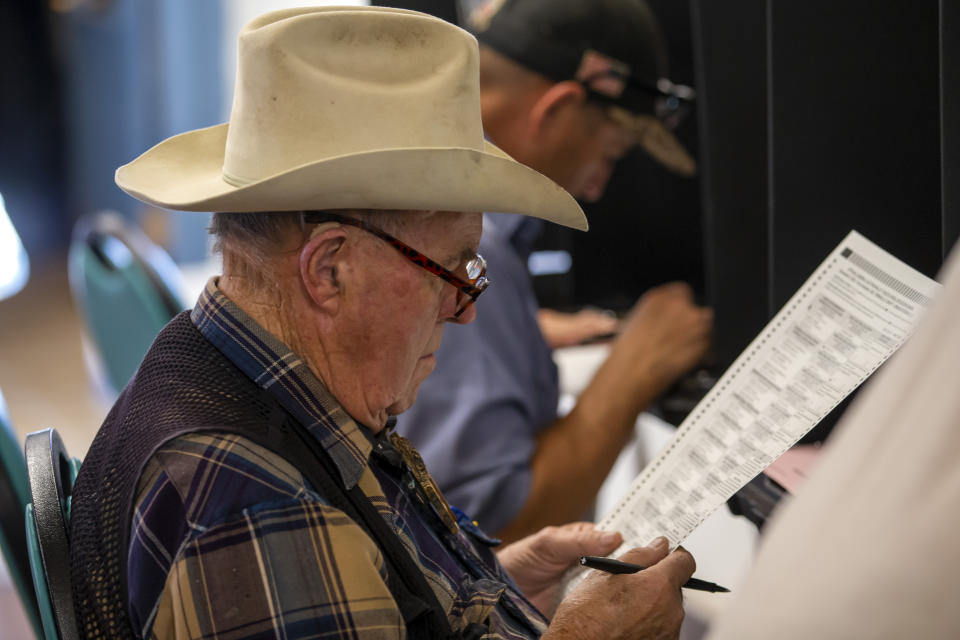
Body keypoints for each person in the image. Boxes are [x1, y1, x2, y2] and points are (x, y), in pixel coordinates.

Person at [68, 7, 696, 639]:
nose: (465, 306)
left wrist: (491, 588)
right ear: (330, 270)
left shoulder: (243, 374)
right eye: (452, 268)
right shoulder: (254, 505)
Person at [399, 0, 713, 542]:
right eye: (610, 154)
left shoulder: (414, 196)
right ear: (557, 108)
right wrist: (636, 367)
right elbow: (485, 536)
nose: (596, 187)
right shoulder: (465, 250)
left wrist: (521, 329)